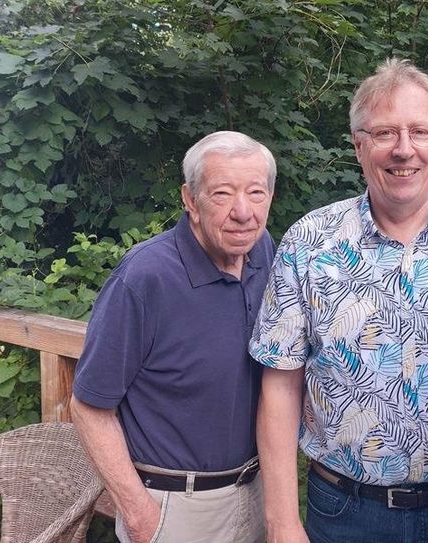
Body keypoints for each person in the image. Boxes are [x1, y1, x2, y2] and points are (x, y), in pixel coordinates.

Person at [250, 58, 428, 543]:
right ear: (359, 146)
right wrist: (282, 521)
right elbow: (280, 387)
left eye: (420, 132)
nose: (404, 150)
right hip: (345, 512)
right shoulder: (309, 242)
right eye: (385, 133)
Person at [70, 131, 277, 543]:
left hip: (253, 492)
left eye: (256, 192)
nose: (243, 211)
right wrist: (140, 514)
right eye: (222, 193)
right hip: (173, 507)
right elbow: (89, 409)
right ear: (190, 199)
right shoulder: (144, 278)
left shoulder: (263, 251)